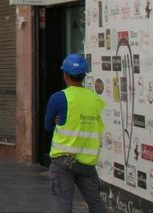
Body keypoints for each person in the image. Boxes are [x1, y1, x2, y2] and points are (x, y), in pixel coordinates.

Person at [43, 53, 106, 213]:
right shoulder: (95, 99)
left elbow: (48, 126)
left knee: (65, 204)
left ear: (65, 75)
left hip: (63, 162)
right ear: (84, 76)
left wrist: (59, 120)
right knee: (96, 204)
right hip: (86, 163)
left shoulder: (58, 98)